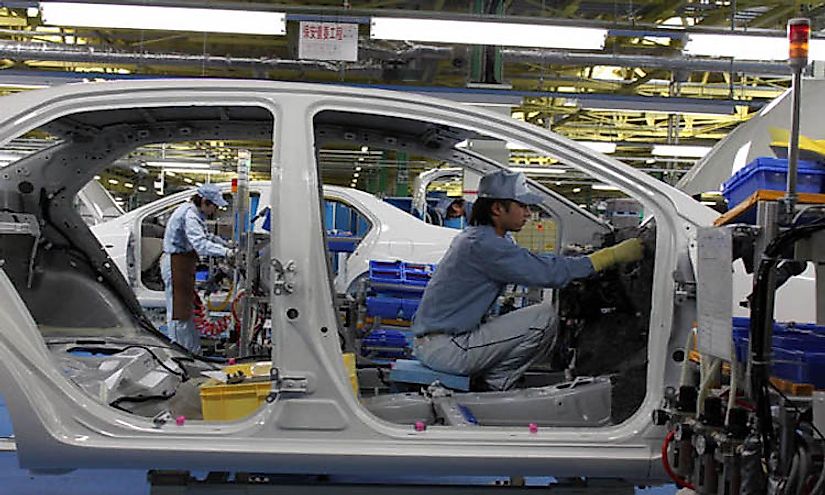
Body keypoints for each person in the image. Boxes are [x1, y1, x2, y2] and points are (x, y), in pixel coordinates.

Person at [411, 170, 644, 391]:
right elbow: (546, 273)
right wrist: (610, 256)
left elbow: (531, 260)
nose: (528, 213)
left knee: (536, 316)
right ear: (497, 208)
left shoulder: (479, 236)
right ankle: (495, 387)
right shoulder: (486, 245)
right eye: (521, 206)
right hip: (448, 349)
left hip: (437, 343)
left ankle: (493, 382)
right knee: (543, 318)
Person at [161, 183, 234, 352]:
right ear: (205, 202)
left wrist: (227, 245)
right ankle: (180, 354)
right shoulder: (190, 216)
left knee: (187, 312)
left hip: (182, 263)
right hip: (175, 263)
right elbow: (201, 244)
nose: (215, 211)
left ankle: (193, 352)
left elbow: (207, 236)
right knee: (179, 314)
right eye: (214, 206)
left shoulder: (194, 212)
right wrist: (226, 253)